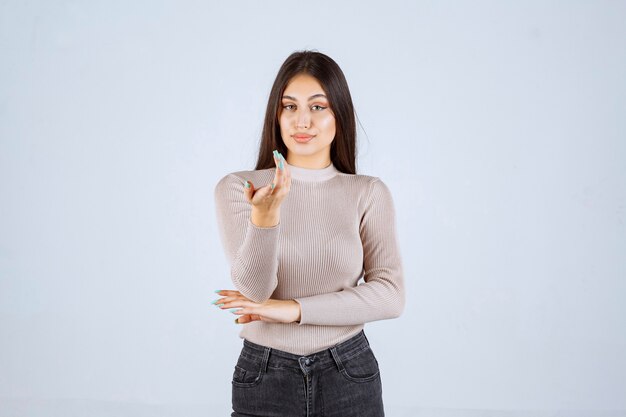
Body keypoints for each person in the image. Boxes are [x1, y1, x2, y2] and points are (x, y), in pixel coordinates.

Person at [213, 50, 405, 417]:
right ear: (276, 114)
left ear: (339, 115)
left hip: (348, 370)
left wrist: (293, 310)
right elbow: (255, 293)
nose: (303, 120)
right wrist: (265, 219)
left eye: (318, 107)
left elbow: (391, 296)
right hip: (264, 374)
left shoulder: (367, 192)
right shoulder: (240, 188)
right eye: (290, 106)